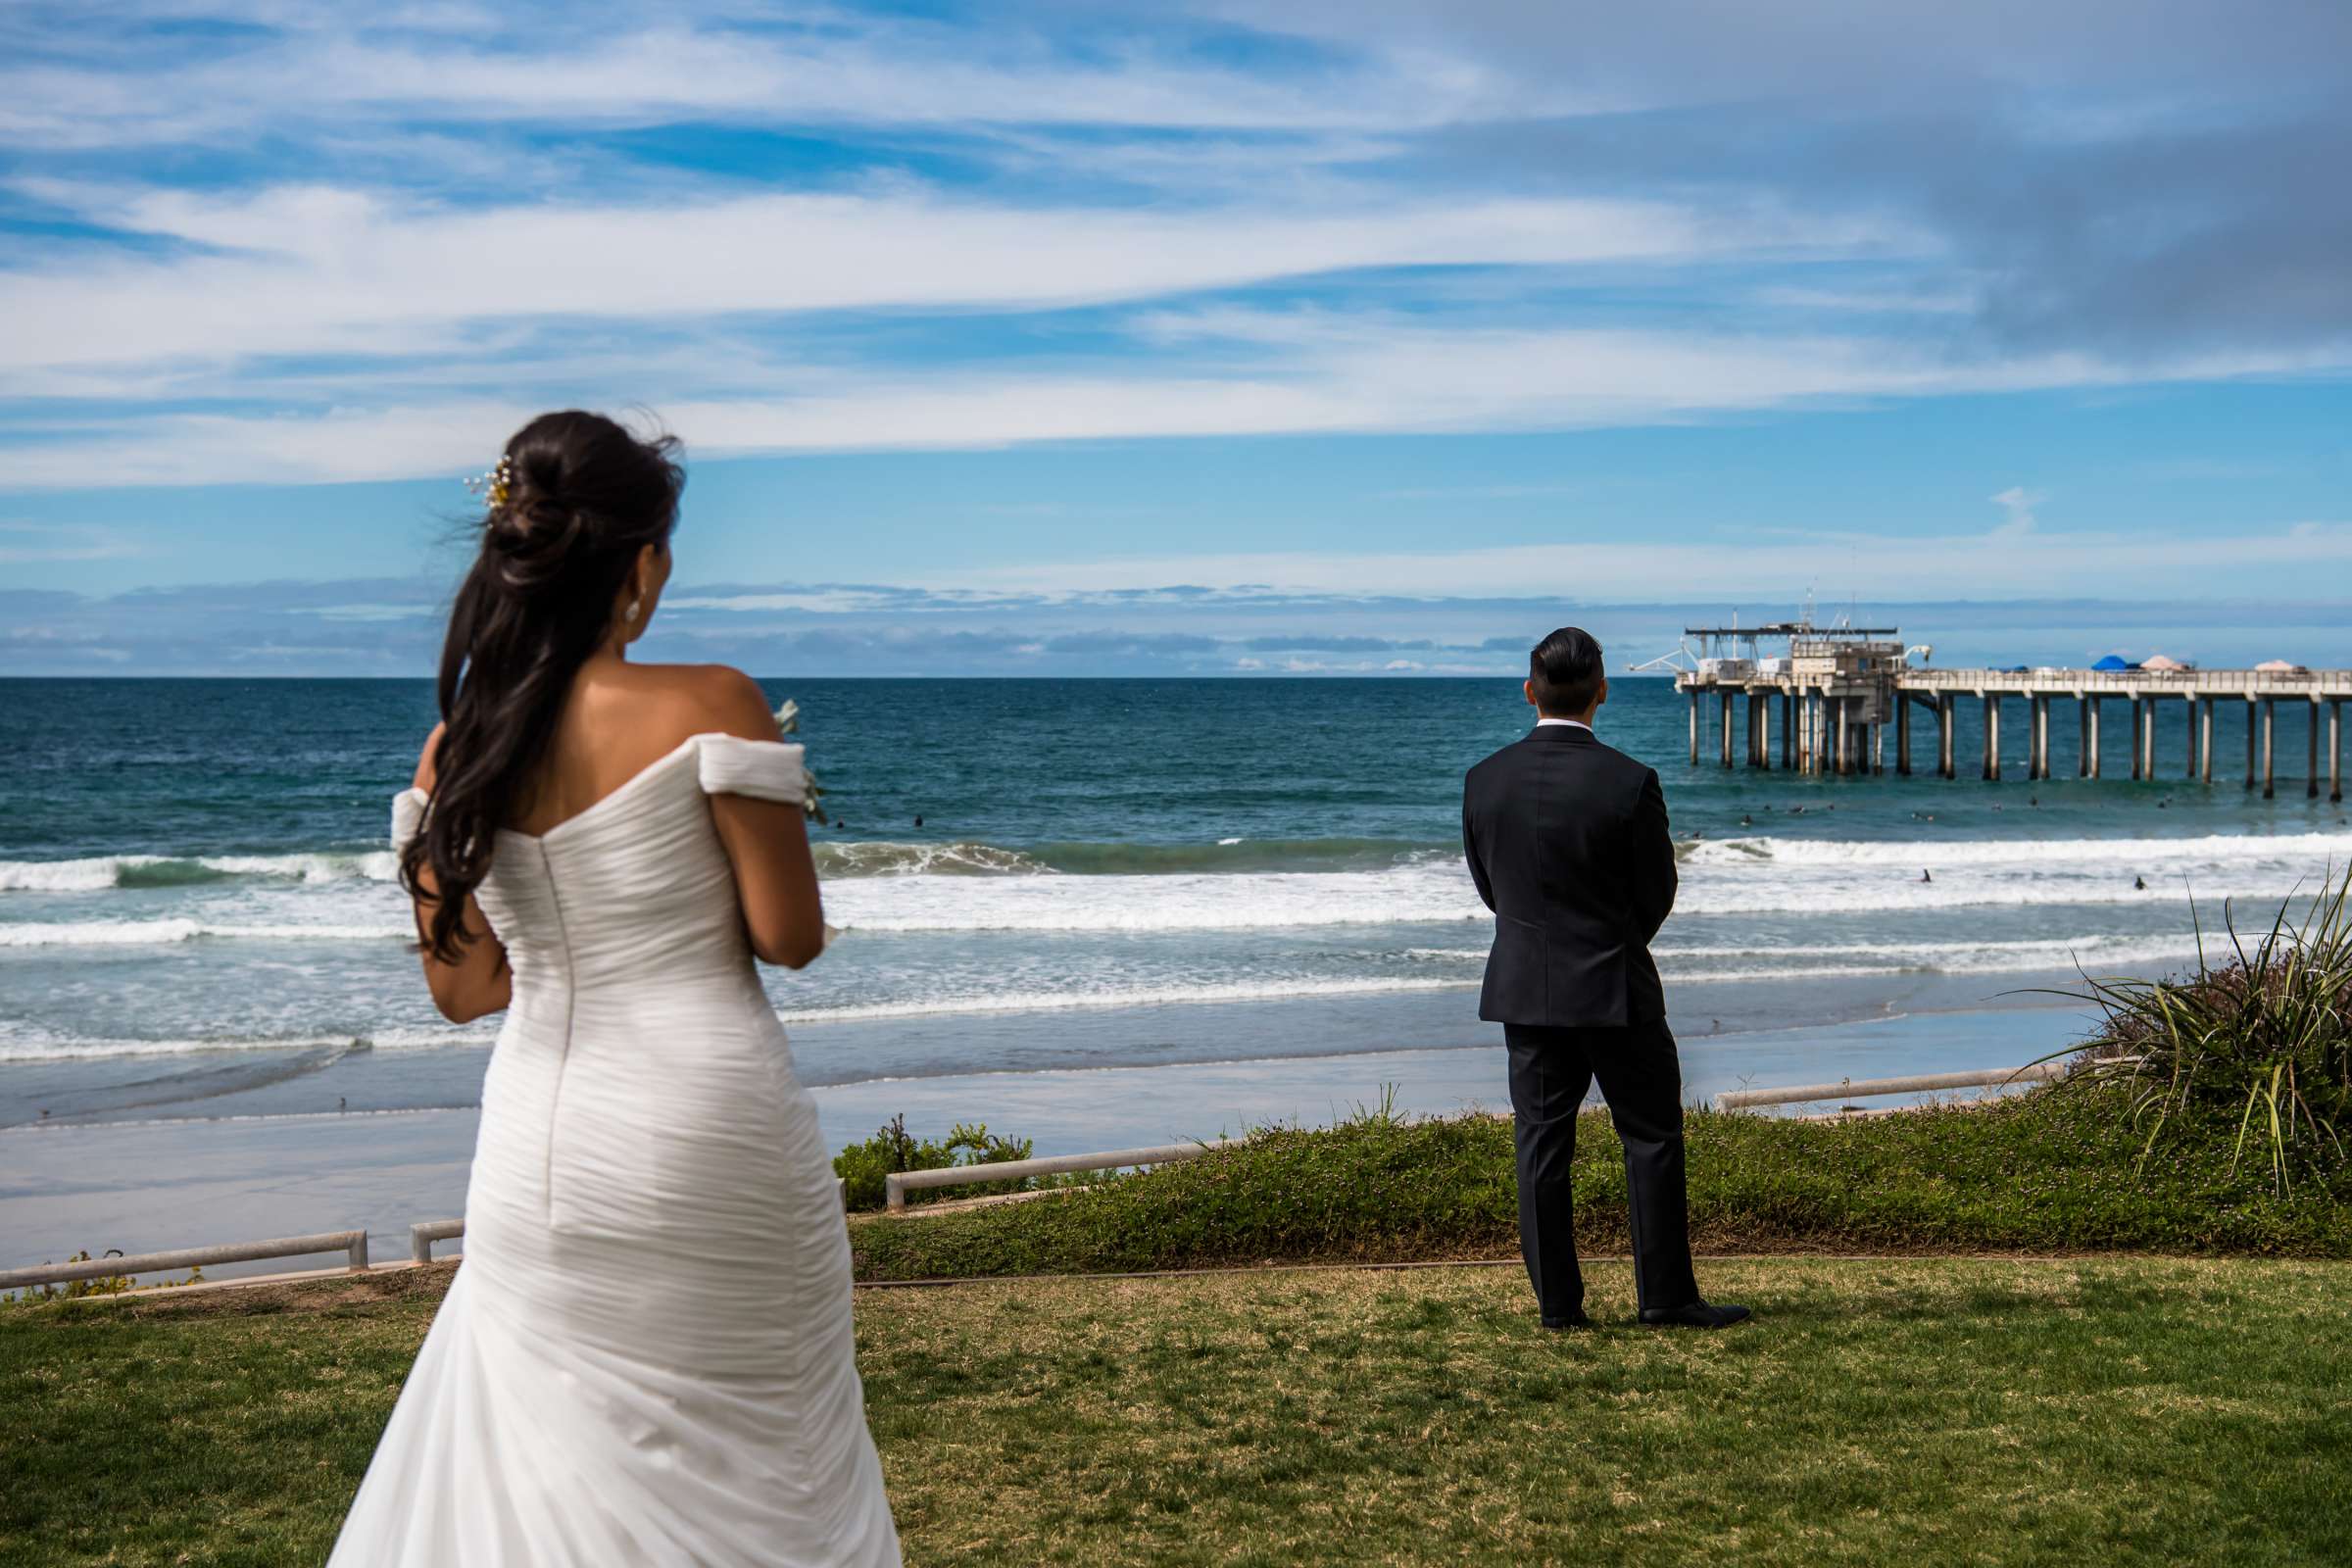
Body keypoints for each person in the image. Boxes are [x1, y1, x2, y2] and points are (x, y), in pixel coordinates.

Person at [331, 412, 900, 1566]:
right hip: (707, 1131)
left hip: (537, 1149)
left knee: (552, 1478)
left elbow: (466, 991)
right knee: (765, 1458)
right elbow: (790, 937)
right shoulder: (713, 703)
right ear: (641, 562)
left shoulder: (457, 749)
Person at [1462, 628, 1749, 1332]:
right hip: (1616, 986)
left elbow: (1490, 886)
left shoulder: (1484, 779)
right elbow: (1657, 890)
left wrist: (1540, 944)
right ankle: (1665, 1298)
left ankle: (1559, 1308)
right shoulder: (1630, 781)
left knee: (1540, 1147)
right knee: (1650, 1138)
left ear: (1529, 692)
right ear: (1602, 693)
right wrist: (1611, 943)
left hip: (1526, 988)